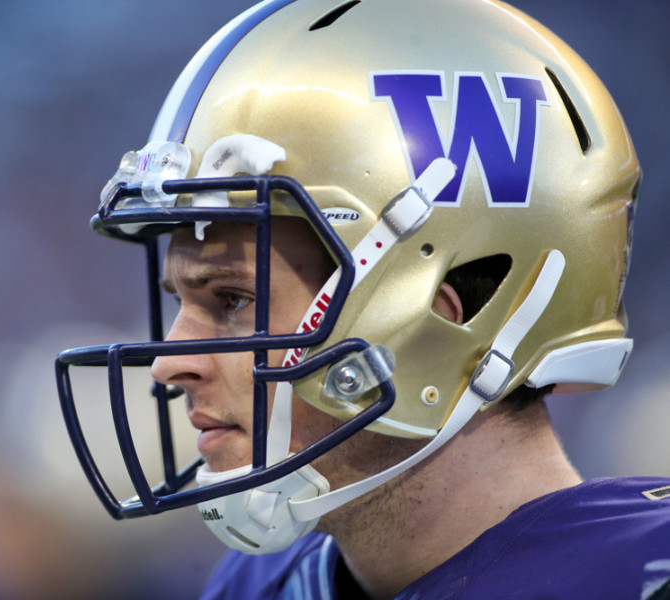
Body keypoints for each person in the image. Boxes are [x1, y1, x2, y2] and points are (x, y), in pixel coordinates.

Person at [55, 0, 670, 598]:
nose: (170, 364)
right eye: (180, 300)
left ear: (436, 320)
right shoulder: (260, 587)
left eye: (233, 298)